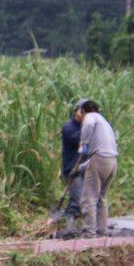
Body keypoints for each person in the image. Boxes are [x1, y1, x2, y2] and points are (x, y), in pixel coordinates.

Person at [77, 99, 118, 238]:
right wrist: (84, 163)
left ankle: (90, 232)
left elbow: (88, 125)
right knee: (101, 197)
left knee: (89, 197)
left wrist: (83, 145)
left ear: (83, 111)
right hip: (112, 161)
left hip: (100, 159)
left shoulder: (90, 117)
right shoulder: (105, 122)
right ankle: (102, 230)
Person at [56, 100, 85, 238]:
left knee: (86, 201)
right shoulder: (69, 128)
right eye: (82, 112)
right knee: (76, 200)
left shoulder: (86, 127)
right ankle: (68, 227)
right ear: (76, 112)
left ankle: (77, 226)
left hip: (85, 169)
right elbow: (82, 139)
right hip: (73, 170)